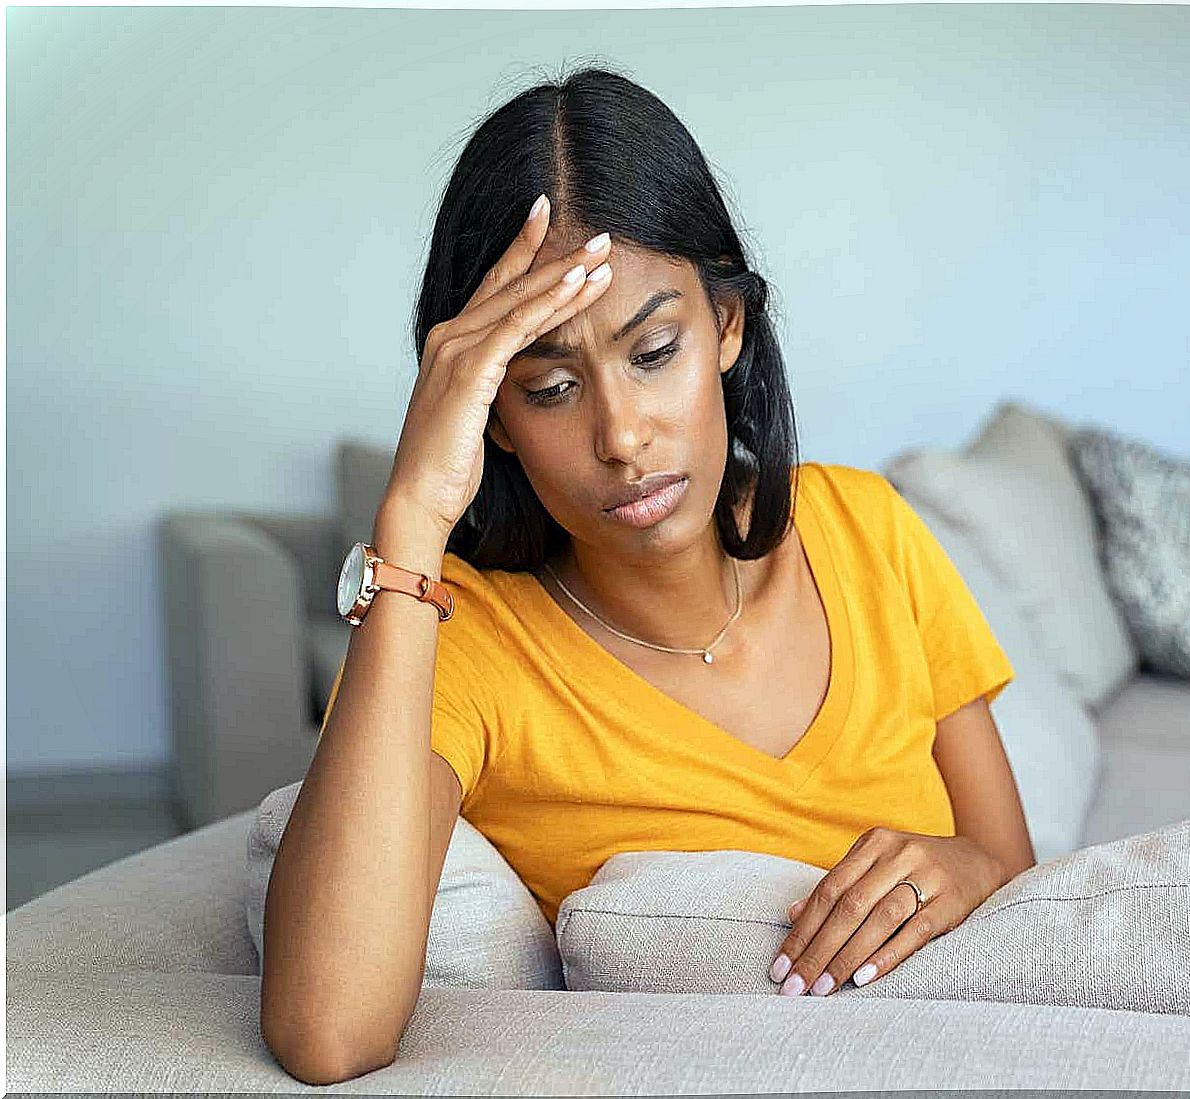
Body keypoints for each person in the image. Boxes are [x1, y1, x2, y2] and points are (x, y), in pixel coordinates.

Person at [259, 65, 1036, 1085]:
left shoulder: (868, 529)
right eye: (547, 386)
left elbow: (1014, 867)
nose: (621, 436)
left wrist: (968, 866)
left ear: (726, 326)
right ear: (489, 410)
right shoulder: (470, 646)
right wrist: (409, 521)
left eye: (653, 350)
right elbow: (328, 1031)